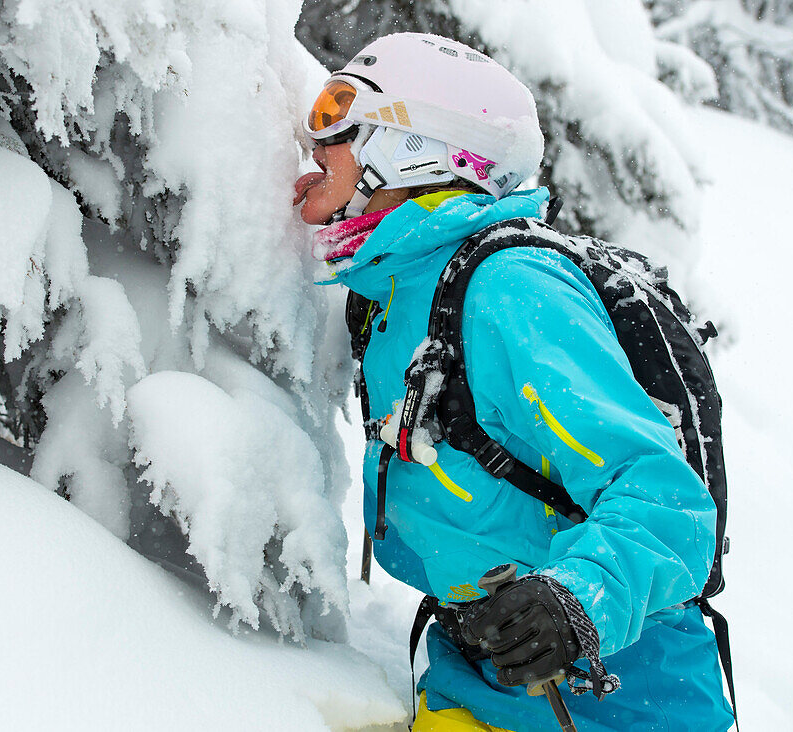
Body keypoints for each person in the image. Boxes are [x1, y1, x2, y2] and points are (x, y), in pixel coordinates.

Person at [294, 33, 735, 732]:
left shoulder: (508, 287)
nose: (313, 138)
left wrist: (577, 601)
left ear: (415, 147)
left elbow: (665, 500)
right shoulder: (393, 289)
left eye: (339, 115)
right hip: (471, 670)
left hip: (612, 692)